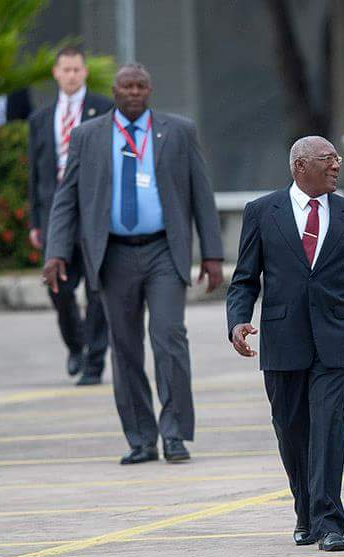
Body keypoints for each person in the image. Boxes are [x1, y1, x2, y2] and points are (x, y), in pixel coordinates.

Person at [42, 64, 224, 465]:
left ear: (150, 89)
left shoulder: (178, 131)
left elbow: (201, 193)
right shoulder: (87, 136)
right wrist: (55, 252)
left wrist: (212, 255)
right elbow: (66, 198)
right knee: (124, 348)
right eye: (127, 86)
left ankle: (174, 434)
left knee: (169, 337)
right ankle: (141, 438)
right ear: (114, 90)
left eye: (141, 85)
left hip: (164, 251)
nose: (134, 92)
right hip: (114, 254)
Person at [227, 136, 344, 552]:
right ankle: (306, 511)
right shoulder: (262, 213)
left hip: (334, 339)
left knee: (330, 428)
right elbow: (244, 278)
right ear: (300, 166)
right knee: (291, 430)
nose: (336, 166)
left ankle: (331, 521)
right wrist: (238, 321)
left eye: (337, 159)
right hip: (282, 339)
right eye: (328, 160)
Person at [28, 46, 113, 385]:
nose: (72, 75)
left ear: (85, 73)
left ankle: (94, 361)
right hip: (56, 217)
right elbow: (36, 175)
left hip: (94, 213)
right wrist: (36, 220)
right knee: (59, 288)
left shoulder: (103, 110)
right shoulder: (39, 119)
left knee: (97, 290)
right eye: (66, 69)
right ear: (56, 73)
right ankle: (76, 345)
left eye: (77, 69)